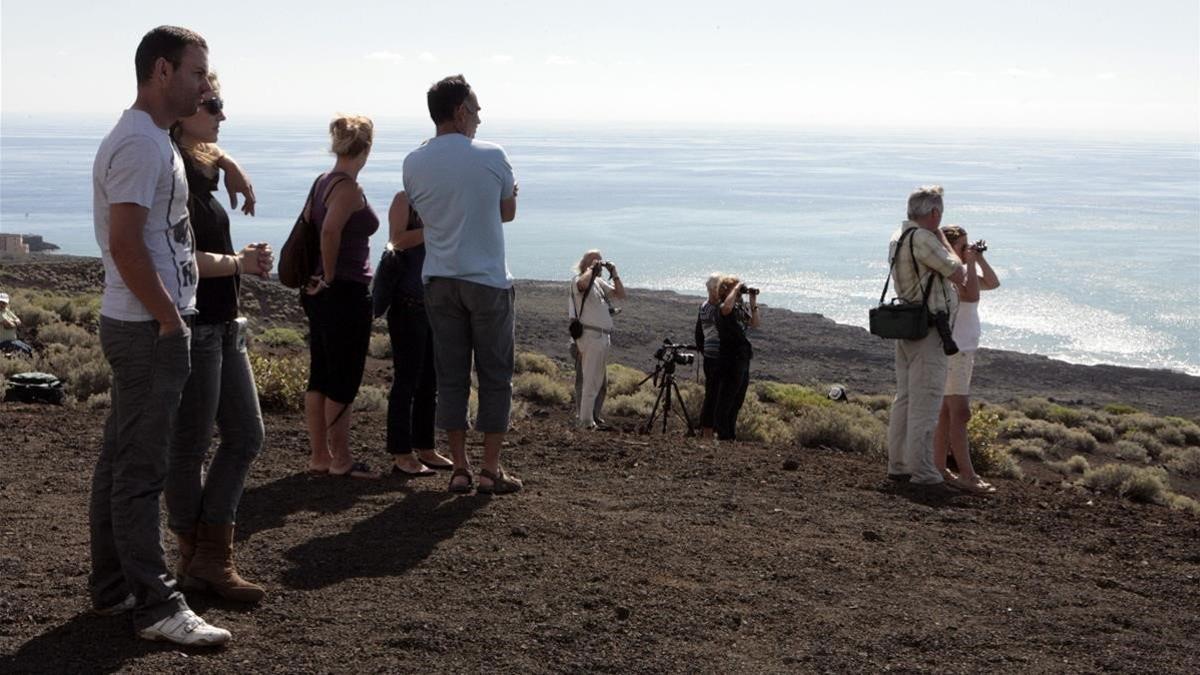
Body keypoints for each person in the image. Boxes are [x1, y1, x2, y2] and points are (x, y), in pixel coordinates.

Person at [89, 25, 265, 647]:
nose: (203, 85)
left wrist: (233, 164)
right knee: (143, 470)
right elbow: (125, 244)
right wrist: (169, 319)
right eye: (196, 74)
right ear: (162, 71)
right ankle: (156, 605)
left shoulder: (151, 138)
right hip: (148, 328)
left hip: (143, 323)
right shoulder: (139, 144)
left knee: (120, 461)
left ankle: (112, 590)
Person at [165, 74, 272, 603]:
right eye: (213, 105)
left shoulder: (199, 169)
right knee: (189, 447)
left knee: (246, 435)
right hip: (197, 325)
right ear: (183, 109)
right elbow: (177, 258)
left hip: (222, 322)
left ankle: (206, 556)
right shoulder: (173, 171)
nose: (221, 114)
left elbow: (209, 146)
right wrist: (240, 263)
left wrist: (229, 164)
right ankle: (199, 557)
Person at [402, 74, 522, 495]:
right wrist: (511, 194)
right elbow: (506, 213)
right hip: (487, 282)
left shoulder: (413, 162)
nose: (478, 120)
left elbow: (425, 214)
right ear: (459, 112)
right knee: (495, 376)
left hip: (439, 280)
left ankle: (459, 468)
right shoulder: (492, 155)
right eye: (476, 111)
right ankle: (490, 470)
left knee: (450, 377)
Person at [302, 115, 380, 480]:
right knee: (344, 378)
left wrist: (318, 276)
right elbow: (330, 230)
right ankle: (342, 459)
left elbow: (309, 224)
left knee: (321, 374)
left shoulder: (322, 182)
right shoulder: (348, 189)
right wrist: (332, 277)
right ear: (365, 147)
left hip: (319, 292)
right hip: (344, 291)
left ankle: (320, 455)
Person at [885, 185, 966, 489]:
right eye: (939, 213)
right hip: (930, 330)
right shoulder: (923, 238)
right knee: (926, 403)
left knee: (904, 400)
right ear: (934, 213)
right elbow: (958, 273)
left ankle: (900, 465)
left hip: (909, 327)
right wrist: (944, 239)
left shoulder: (899, 236)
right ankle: (924, 472)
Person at [381, 191, 454, 476]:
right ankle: (401, 453)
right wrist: (434, 230)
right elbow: (396, 240)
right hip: (407, 303)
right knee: (407, 380)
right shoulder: (405, 200)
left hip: (436, 304)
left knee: (429, 381)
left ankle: (425, 446)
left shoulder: (443, 200)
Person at [933, 225, 1001, 494]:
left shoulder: (963, 273)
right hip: (956, 350)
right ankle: (967, 475)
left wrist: (978, 259)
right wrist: (969, 262)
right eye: (962, 246)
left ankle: (939, 467)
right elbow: (971, 293)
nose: (967, 249)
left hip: (961, 349)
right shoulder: (953, 276)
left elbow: (993, 283)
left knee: (947, 413)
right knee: (960, 413)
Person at [568, 249, 626, 430]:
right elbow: (582, 285)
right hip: (590, 336)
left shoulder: (599, 283)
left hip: (602, 336)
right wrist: (591, 269)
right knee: (589, 380)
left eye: (600, 262)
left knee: (597, 380)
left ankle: (590, 418)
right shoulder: (578, 281)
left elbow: (620, 295)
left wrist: (614, 273)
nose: (599, 265)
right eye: (595, 262)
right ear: (585, 265)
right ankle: (585, 421)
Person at [713, 275, 760, 441]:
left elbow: (754, 323)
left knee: (738, 398)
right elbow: (726, 308)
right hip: (730, 357)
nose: (739, 292)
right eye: (736, 290)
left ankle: (730, 433)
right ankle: (722, 433)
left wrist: (753, 301)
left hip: (743, 356)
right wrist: (737, 287)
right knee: (727, 396)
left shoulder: (740, 307)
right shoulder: (722, 307)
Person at [693, 273, 723, 439]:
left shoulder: (703, 306)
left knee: (712, 394)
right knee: (713, 395)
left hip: (709, 356)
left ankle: (709, 430)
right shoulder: (713, 308)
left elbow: (698, 333)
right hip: (715, 357)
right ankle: (709, 431)